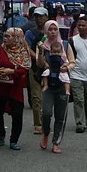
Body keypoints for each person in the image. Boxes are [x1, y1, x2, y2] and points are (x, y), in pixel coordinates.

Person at [0, 27, 30, 149]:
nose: (4, 38)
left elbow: (24, 69)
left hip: (15, 88)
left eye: (8, 36)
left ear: (16, 38)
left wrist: (12, 71)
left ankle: (14, 140)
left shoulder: (23, 52)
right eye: (4, 36)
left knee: (17, 114)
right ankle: (1, 135)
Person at [35, 20, 71, 153]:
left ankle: (56, 142)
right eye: (50, 30)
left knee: (60, 116)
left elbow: (72, 61)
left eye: (55, 29)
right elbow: (39, 64)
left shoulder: (65, 44)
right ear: (46, 31)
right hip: (48, 85)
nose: (53, 32)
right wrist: (40, 52)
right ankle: (46, 133)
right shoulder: (42, 46)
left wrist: (66, 67)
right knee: (46, 113)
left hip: (61, 84)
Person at [24, 6, 50, 134]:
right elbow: (27, 49)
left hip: (50, 68)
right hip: (34, 68)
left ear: (46, 17)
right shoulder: (30, 33)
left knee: (48, 96)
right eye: (36, 16)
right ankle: (38, 124)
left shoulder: (51, 31)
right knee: (36, 96)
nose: (39, 19)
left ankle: (47, 120)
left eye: (41, 16)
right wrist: (38, 59)